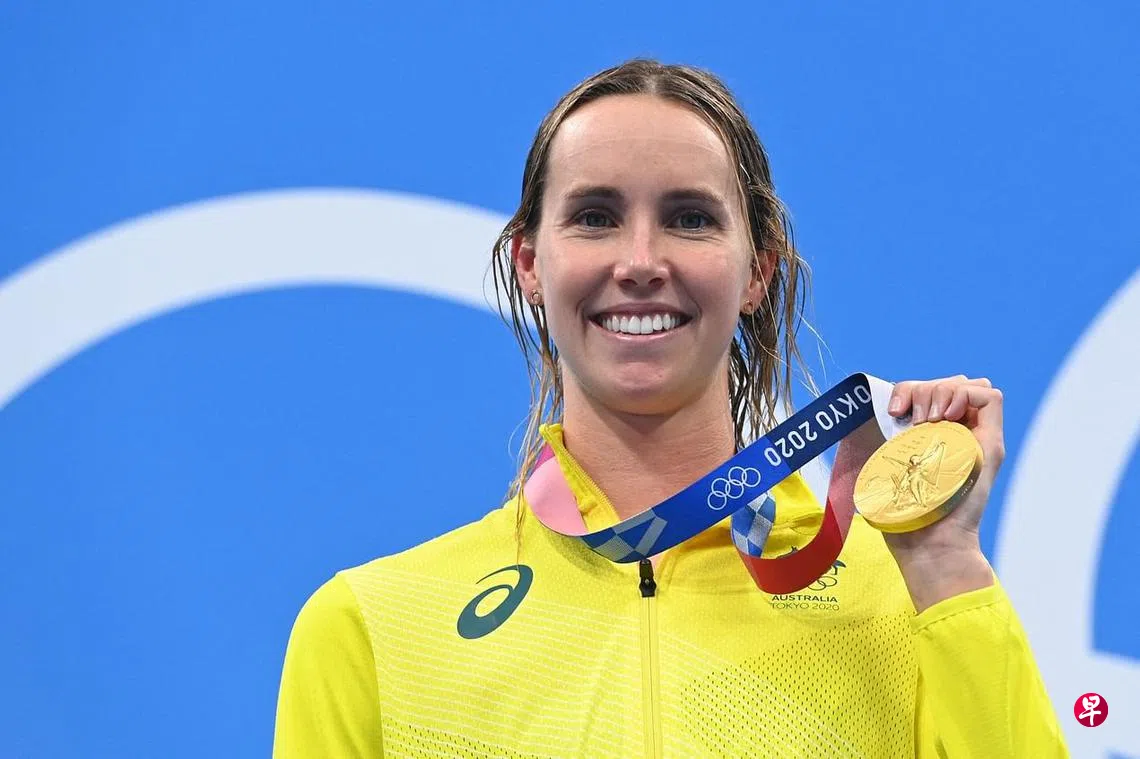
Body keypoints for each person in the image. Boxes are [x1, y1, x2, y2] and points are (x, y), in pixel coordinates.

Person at [273, 59, 1068, 758]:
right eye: (595, 217)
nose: (641, 261)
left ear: (757, 271)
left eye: (690, 218)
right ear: (529, 264)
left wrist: (943, 564)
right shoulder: (376, 628)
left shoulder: (903, 600)